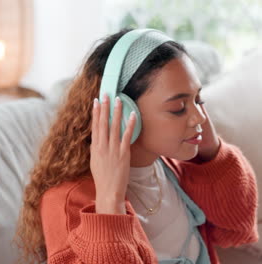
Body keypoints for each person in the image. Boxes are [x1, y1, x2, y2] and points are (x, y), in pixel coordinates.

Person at [14, 28, 259, 264]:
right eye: (178, 108)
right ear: (121, 114)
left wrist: (210, 151)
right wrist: (110, 202)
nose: (200, 117)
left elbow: (236, 229)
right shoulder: (67, 203)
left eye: (198, 99)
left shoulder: (171, 166)